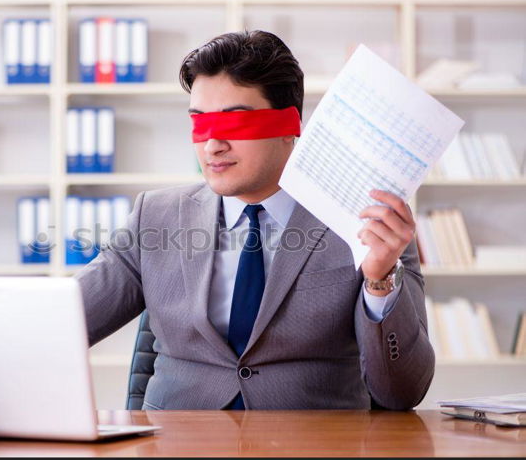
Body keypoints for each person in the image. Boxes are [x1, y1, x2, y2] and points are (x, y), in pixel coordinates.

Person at [74, 30, 434, 410]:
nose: (212, 145)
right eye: (200, 122)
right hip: (175, 445)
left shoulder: (370, 226)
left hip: (314, 447)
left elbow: (402, 393)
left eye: (236, 123)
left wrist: (379, 279)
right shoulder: (156, 217)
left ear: (289, 126)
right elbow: (62, 323)